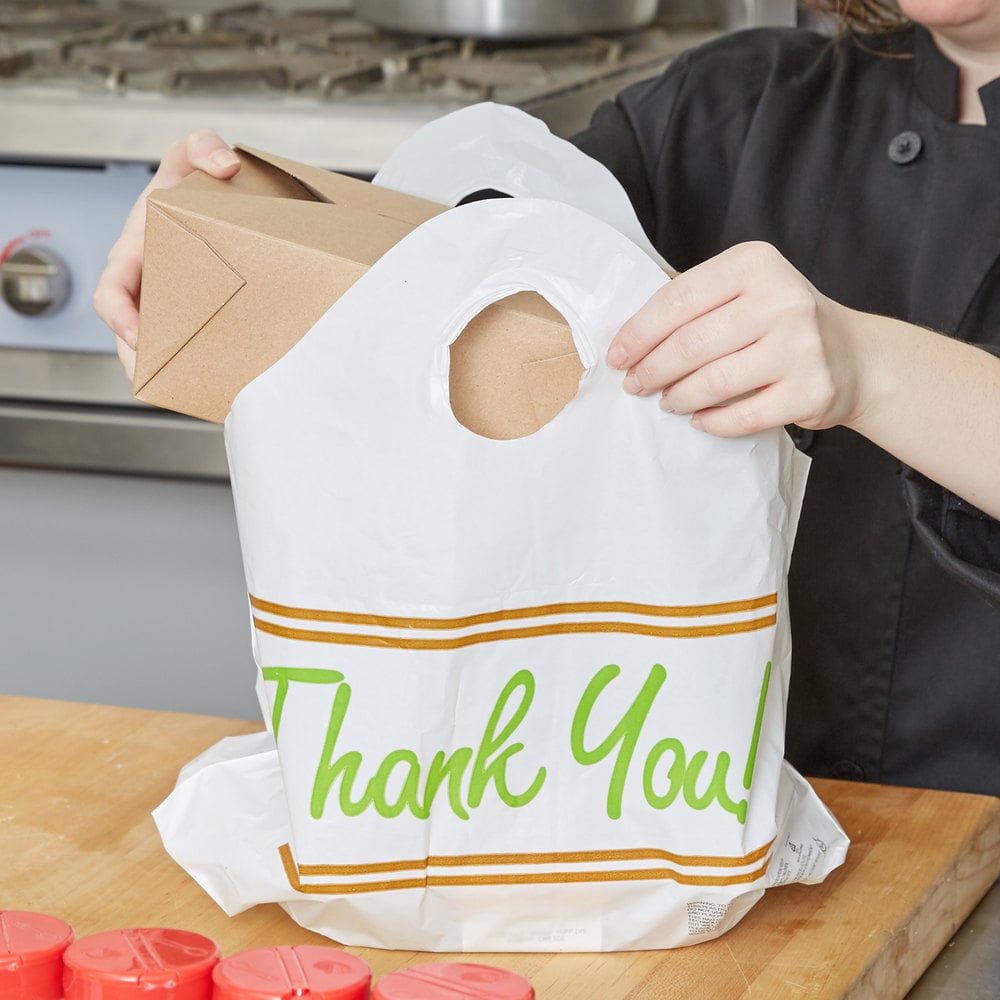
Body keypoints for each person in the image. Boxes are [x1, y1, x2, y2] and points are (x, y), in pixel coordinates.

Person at [93, 0, 1000, 797]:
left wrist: (867, 365)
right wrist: (231, 238)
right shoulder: (735, 104)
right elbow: (451, 277)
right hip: (679, 848)